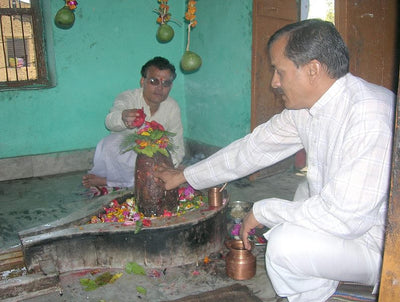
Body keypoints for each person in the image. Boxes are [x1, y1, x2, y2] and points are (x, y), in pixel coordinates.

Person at [154, 19, 395, 301]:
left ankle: (319, 294)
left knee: (283, 245)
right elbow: (252, 149)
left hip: (379, 246)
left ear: (313, 69)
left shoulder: (371, 114)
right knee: (303, 191)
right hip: (344, 224)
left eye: (280, 71)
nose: (274, 82)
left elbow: (346, 218)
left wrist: (265, 210)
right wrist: (185, 175)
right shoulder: (308, 108)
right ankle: (325, 281)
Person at [82, 56, 185, 190]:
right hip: (125, 156)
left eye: (166, 83)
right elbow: (109, 122)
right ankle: (124, 181)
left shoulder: (172, 106)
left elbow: (177, 143)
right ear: (143, 81)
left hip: (154, 158)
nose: (160, 88)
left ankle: (109, 181)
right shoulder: (128, 97)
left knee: (156, 165)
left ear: (170, 86)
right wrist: (123, 118)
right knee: (109, 143)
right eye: (154, 81)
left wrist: (171, 168)